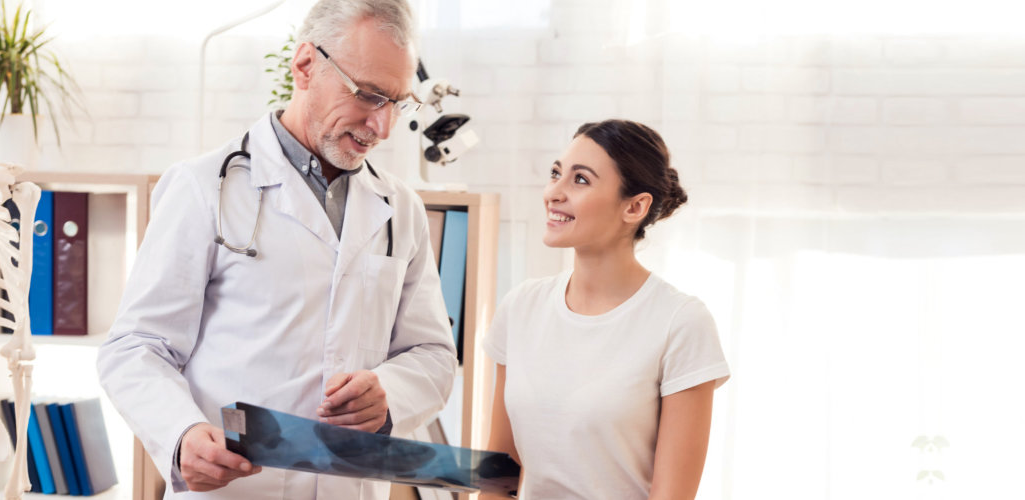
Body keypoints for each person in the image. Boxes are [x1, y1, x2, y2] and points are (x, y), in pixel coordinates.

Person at [97, 0, 456, 498]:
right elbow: (136, 347)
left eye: (398, 102)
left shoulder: (401, 209)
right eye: (370, 96)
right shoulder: (203, 187)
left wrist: (389, 393)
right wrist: (180, 436)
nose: (384, 127)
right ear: (306, 65)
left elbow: (433, 354)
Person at [484, 120, 730, 499]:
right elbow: (499, 475)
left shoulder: (680, 323)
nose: (554, 192)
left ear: (635, 207)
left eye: (580, 180)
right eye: (555, 173)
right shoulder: (521, 307)